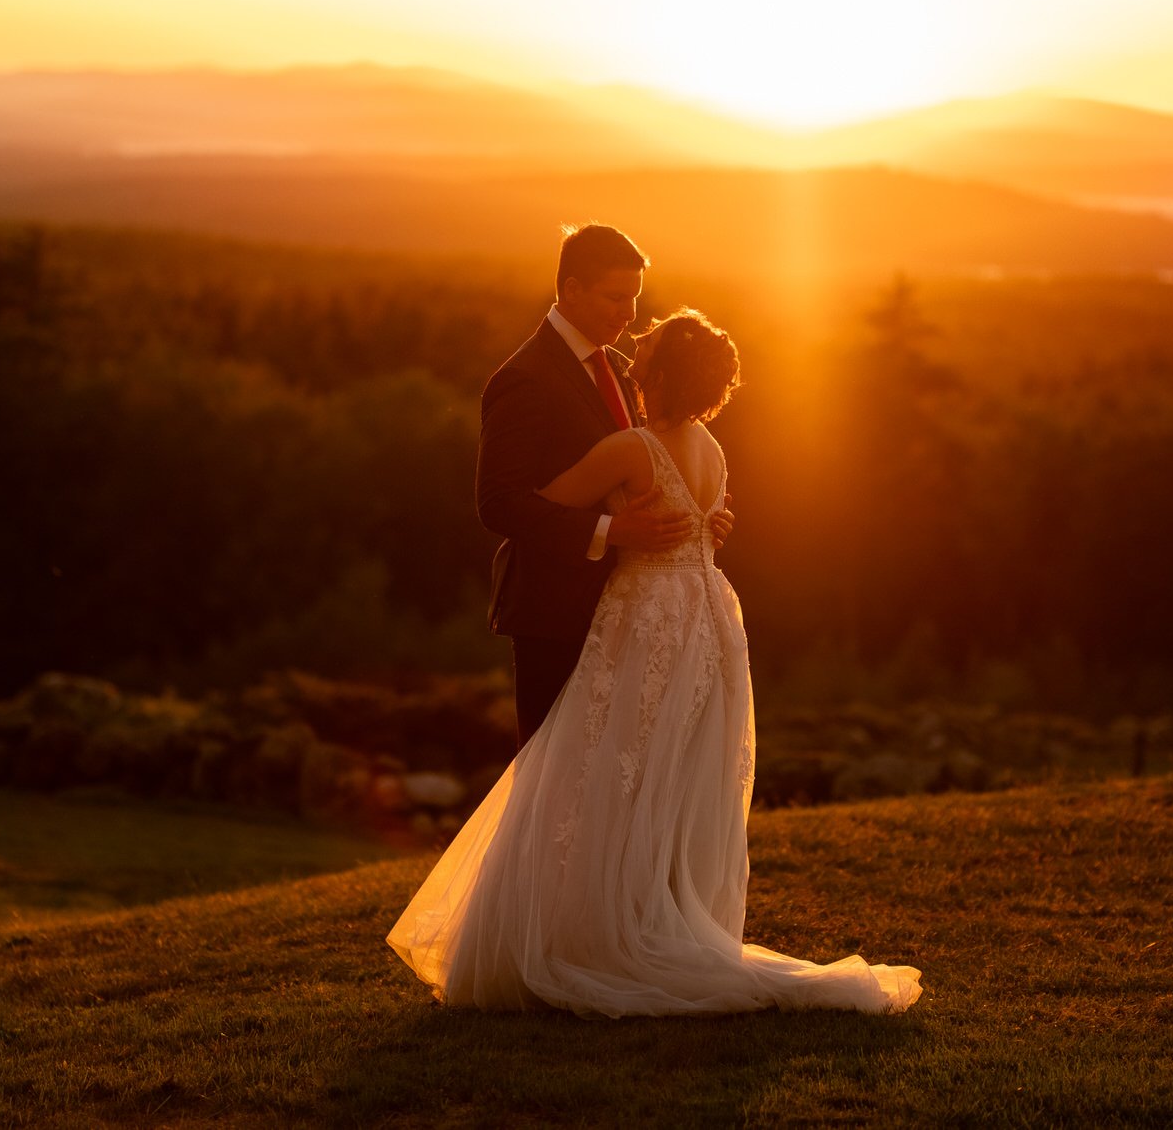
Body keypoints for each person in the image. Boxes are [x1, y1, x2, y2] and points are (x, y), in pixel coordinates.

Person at [388, 307, 922, 1017]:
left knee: (594, 765)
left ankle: (583, 931)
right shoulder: (713, 447)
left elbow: (539, 502)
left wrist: (612, 520)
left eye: (644, 366)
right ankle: (646, 912)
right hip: (708, 616)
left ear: (663, 376)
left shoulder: (631, 448)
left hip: (648, 618)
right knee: (667, 775)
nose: (633, 372)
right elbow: (709, 518)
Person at [474, 223, 731, 747]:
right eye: (616, 298)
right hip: (555, 613)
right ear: (571, 290)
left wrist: (703, 521)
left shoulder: (623, 367)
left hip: (634, 615)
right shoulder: (525, 377)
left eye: (633, 299)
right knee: (553, 781)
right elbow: (499, 503)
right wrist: (610, 532)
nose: (629, 315)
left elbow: (652, 462)